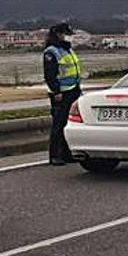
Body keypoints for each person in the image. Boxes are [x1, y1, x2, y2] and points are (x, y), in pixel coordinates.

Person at [43, 23, 82, 165]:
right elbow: (50, 75)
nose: (66, 37)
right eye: (64, 34)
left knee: (68, 123)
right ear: (57, 34)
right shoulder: (51, 52)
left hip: (73, 90)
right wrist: (56, 91)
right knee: (58, 124)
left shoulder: (67, 50)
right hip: (61, 93)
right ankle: (55, 155)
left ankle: (66, 154)